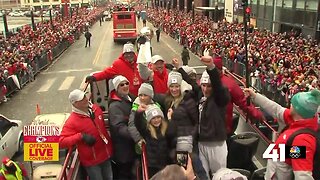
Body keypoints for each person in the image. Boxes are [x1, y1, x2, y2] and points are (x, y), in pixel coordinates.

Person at [243, 88, 320, 180]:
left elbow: (302, 175)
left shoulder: (302, 140)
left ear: (299, 110)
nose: (290, 104)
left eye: (293, 104)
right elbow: (276, 110)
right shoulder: (296, 119)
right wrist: (255, 96)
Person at [59, 89, 113, 180]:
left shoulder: (96, 109)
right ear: (75, 103)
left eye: (85, 96)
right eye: (81, 99)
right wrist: (81, 136)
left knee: (110, 178)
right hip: (92, 161)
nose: (85, 99)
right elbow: (61, 142)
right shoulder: (72, 122)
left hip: (105, 155)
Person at [197, 56, 230, 178]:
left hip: (216, 144)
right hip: (201, 143)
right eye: (203, 85)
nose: (205, 89)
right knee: (203, 175)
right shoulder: (200, 98)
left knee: (219, 175)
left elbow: (217, 84)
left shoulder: (219, 98)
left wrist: (211, 67)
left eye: (209, 86)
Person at [213, 56, 264, 137]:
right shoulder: (229, 83)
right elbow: (243, 102)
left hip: (220, 128)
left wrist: (256, 114)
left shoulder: (229, 84)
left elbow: (242, 102)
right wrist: (256, 114)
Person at [108, 75, 137, 180]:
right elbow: (119, 128)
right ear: (116, 88)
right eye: (121, 85)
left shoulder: (131, 97)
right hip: (124, 150)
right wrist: (136, 136)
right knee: (124, 174)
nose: (125, 86)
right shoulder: (115, 107)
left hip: (131, 146)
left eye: (126, 83)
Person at [134, 104, 174, 177]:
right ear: (149, 120)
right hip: (152, 166)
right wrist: (138, 113)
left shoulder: (166, 128)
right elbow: (138, 123)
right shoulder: (147, 131)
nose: (156, 120)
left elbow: (172, 134)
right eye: (153, 118)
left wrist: (170, 119)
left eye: (158, 117)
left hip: (165, 164)